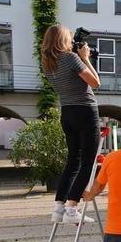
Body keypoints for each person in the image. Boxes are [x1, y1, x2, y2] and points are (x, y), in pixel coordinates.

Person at [42, 24, 101, 224]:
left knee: (73, 161)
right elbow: (95, 83)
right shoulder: (71, 58)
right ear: (62, 40)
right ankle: (72, 208)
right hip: (85, 111)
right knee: (87, 163)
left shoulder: (48, 64)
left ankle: (59, 207)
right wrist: (85, 58)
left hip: (67, 113)